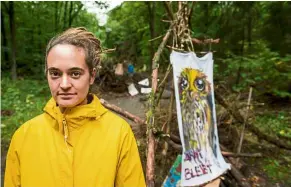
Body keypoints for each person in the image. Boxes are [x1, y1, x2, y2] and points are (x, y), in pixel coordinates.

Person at [4, 27, 146, 187]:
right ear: (47, 75)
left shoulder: (119, 133)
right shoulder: (23, 137)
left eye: (75, 73)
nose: (64, 85)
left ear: (92, 76)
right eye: (55, 74)